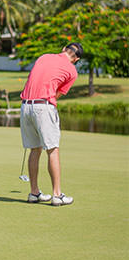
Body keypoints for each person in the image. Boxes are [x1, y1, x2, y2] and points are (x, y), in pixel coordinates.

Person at [20, 43, 83, 206]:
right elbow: (56, 94)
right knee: (53, 149)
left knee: (35, 149)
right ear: (76, 59)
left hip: (25, 106)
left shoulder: (44, 57)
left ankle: (34, 193)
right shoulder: (72, 71)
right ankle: (57, 195)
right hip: (43, 106)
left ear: (63, 49)